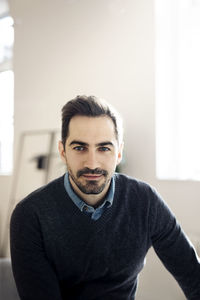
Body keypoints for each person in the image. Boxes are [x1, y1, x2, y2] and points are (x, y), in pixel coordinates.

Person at [10, 95, 200, 300]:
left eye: (104, 148)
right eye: (80, 148)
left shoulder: (145, 201)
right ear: (63, 151)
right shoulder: (30, 215)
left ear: (119, 153)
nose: (92, 163)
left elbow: (193, 276)